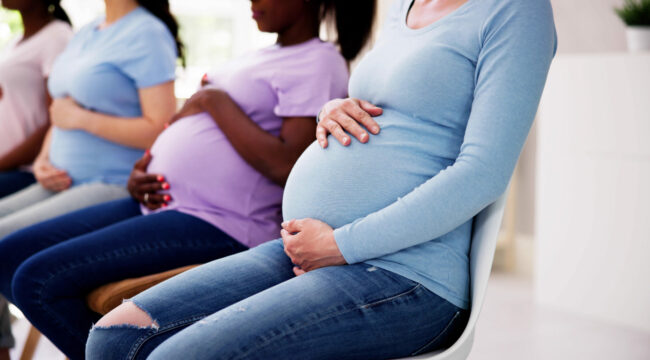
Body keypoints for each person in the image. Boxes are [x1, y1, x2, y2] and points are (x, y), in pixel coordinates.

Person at [85, 0, 558, 359]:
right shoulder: (406, 5)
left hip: (405, 274)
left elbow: (483, 174)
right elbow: (387, 102)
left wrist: (343, 245)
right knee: (112, 339)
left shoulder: (516, 12)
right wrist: (333, 109)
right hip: (305, 250)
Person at [0, 0, 374, 358]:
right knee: (10, 254)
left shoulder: (320, 61)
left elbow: (286, 165)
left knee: (38, 282)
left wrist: (214, 100)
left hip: (221, 220)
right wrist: (144, 169)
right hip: (158, 201)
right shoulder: (259, 55)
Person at [0, 0, 181, 240]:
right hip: (59, 178)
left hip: (111, 181)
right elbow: (61, 109)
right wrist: (43, 161)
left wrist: (82, 119)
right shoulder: (88, 31)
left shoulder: (149, 33)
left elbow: (160, 128)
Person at [0, 1, 72, 357]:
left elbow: (53, 119)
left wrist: (4, 162)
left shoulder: (57, 37)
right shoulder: (15, 41)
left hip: (29, 169)